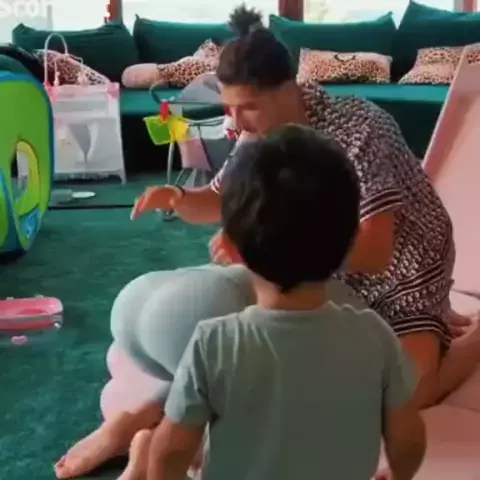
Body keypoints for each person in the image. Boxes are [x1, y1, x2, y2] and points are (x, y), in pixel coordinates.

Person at [54, 6, 479, 479]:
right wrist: (176, 197)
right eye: (229, 108)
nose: (236, 122)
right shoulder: (258, 134)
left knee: (409, 391)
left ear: (290, 88)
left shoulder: (361, 128)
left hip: (405, 275)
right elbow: (220, 198)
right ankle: (131, 422)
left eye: (248, 106)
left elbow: (377, 251)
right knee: (260, 356)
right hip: (324, 267)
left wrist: (274, 250)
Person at [124, 125, 427, 480]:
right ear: (350, 242)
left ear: (232, 250)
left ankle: (139, 453)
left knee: (193, 449)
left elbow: (172, 450)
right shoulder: (374, 335)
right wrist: (399, 474)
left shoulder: (214, 342)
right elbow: (408, 440)